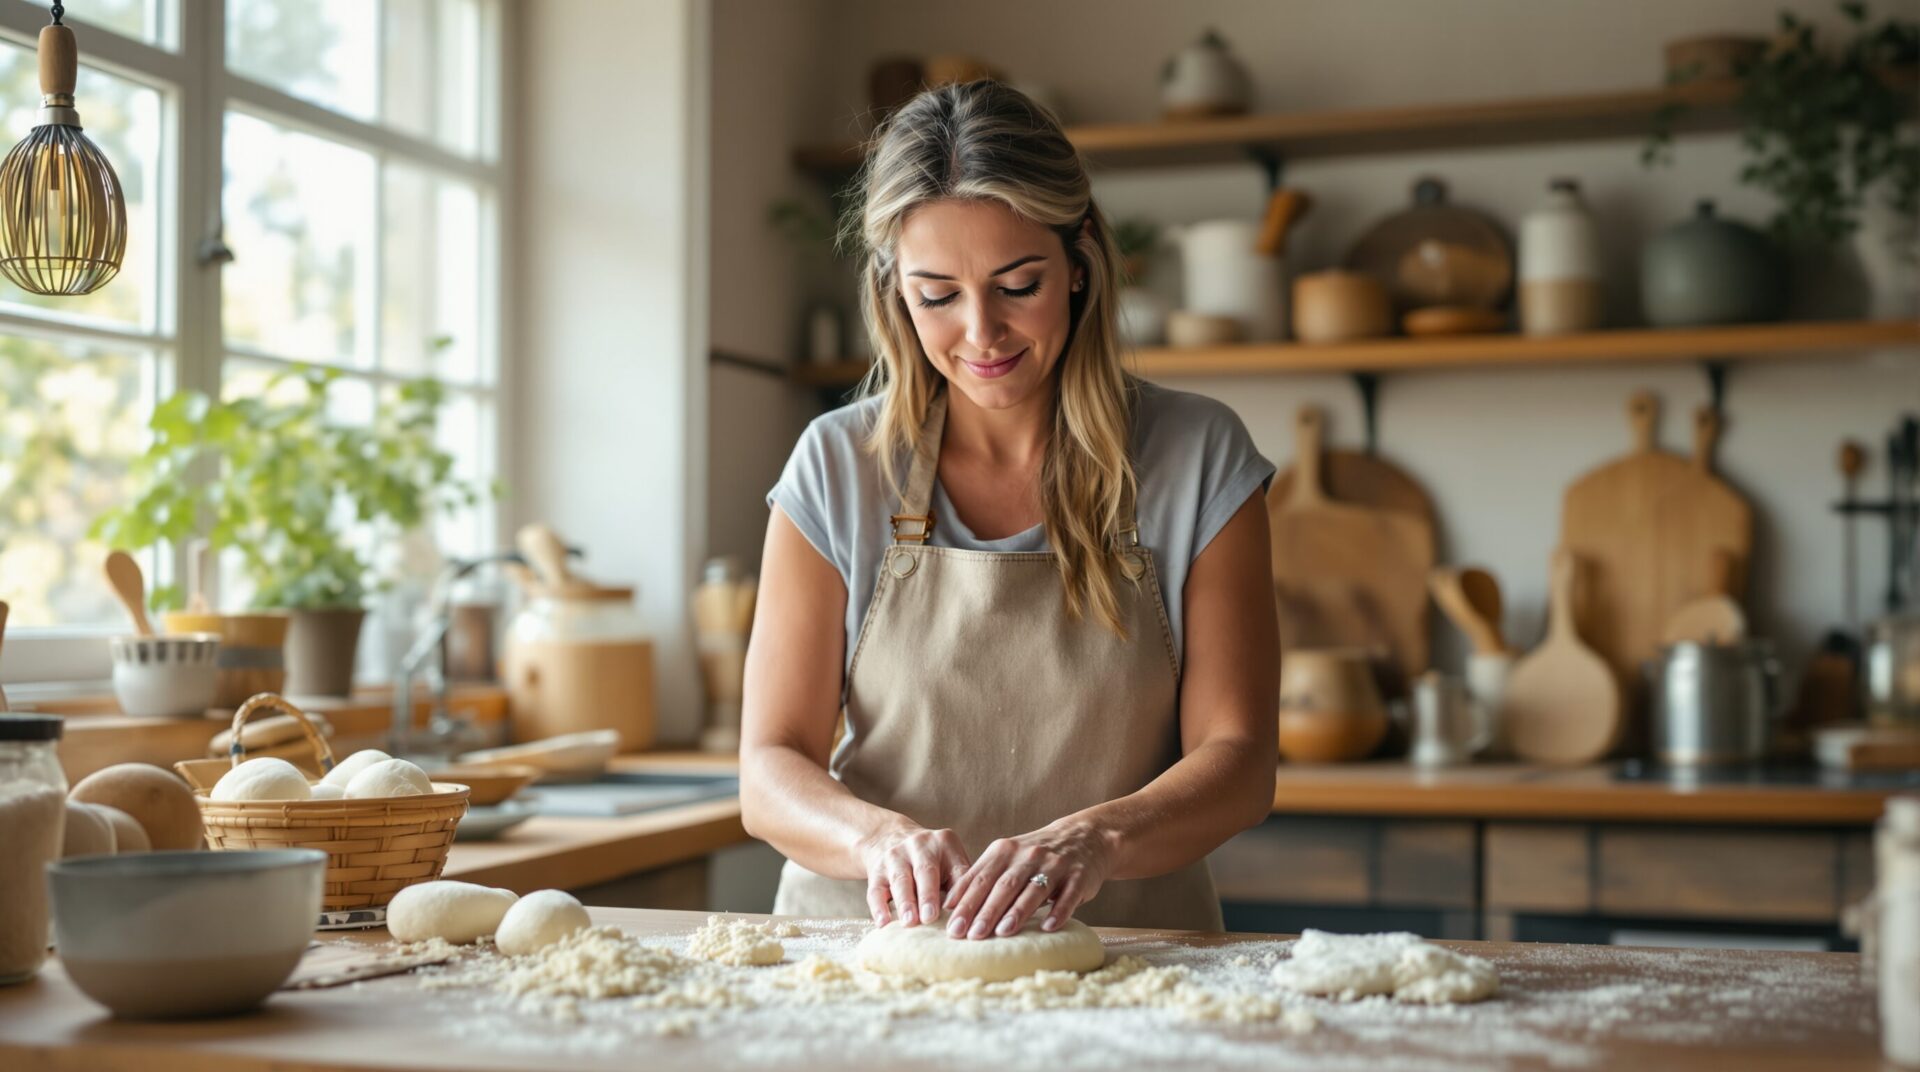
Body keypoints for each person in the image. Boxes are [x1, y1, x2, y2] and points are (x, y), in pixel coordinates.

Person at [740, 80, 1278, 941]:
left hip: (1130, 960)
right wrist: (876, 840)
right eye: (937, 296)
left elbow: (1240, 760)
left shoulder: (1198, 455)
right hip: (868, 956)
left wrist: (1095, 839)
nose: (981, 332)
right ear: (893, 290)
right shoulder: (839, 464)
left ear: (1079, 263)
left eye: (1018, 284)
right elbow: (770, 769)